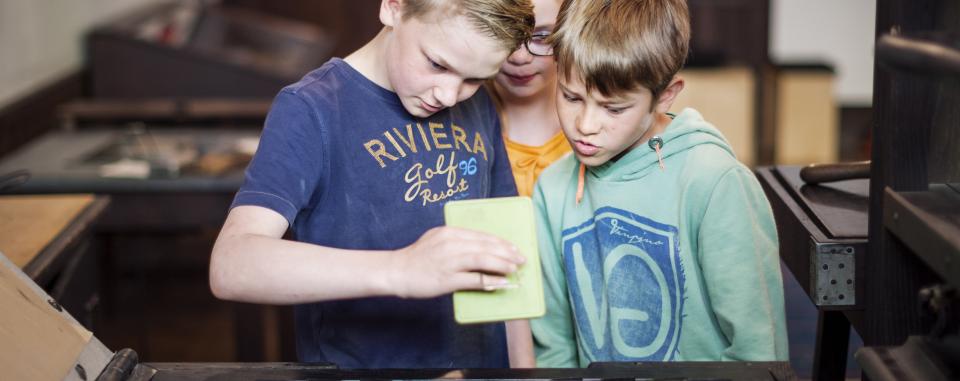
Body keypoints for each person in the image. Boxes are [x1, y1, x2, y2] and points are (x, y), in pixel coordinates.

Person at [209, 0, 535, 369]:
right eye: (437, 64)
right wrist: (401, 269)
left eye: (475, 79)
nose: (448, 95)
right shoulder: (311, 108)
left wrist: (525, 373)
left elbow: (509, 259)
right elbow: (231, 265)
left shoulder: (477, 105)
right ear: (393, 7)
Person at [530, 0, 788, 366]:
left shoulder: (714, 182)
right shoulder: (552, 189)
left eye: (613, 108)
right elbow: (554, 347)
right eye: (571, 97)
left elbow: (758, 348)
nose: (585, 125)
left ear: (665, 95)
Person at [486, 0, 568, 367]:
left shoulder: (600, 133)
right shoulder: (457, 135)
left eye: (542, 37)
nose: (520, 56)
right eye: (508, 34)